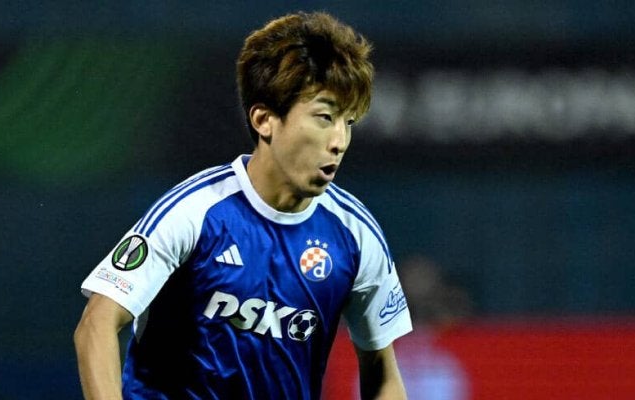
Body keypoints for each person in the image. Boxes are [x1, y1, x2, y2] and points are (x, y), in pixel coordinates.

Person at [74, 11, 412, 400]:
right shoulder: (196, 211)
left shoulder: (355, 235)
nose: (339, 141)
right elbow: (96, 325)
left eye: (348, 122)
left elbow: (383, 374)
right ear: (264, 119)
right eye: (324, 117)